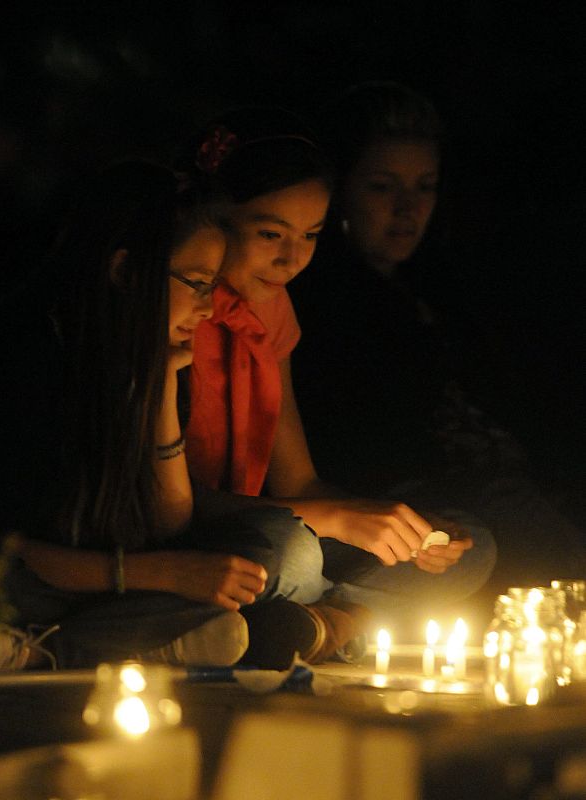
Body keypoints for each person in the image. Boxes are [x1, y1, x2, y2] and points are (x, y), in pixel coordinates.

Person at [176, 106, 496, 649]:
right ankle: (338, 621)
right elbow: (174, 501)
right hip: (196, 540)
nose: (291, 259)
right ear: (215, 219)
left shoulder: (274, 314)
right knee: (293, 550)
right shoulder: (179, 310)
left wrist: (395, 525)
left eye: (311, 236)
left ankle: (316, 625)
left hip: (270, 527)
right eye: (271, 233)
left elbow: (298, 482)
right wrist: (333, 518)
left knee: (474, 544)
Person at [0, 159, 301, 669]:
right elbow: (18, 552)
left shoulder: (144, 357)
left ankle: (52, 647)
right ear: (125, 272)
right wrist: (165, 575)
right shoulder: (30, 360)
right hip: (34, 582)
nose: (208, 309)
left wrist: (162, 389)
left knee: (284, 544)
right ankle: (64, 648)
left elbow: (169, 519)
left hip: (104, 586)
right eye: (198, 283)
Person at [289, 80, 586, 594]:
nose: (407, 209)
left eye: (424, 186)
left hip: (507, 488)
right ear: (339, 190)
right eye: (382, 187)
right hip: (425, 504)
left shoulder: (447, 288)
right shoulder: (315, 307)